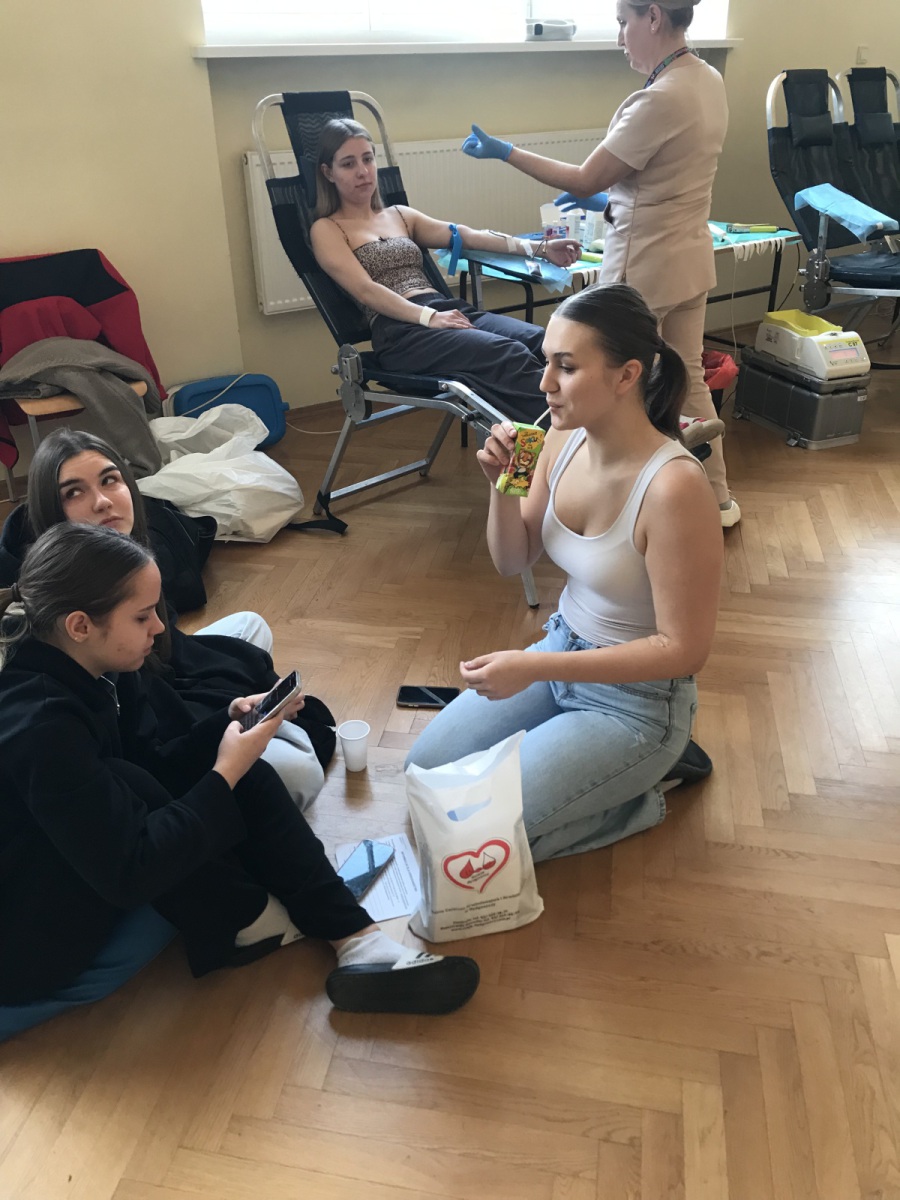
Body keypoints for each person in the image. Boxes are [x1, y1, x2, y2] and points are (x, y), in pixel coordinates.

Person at [0, 522, 479, 1017]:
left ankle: (358, 940)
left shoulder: (94, 667)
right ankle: (255, 922)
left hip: (83, 851)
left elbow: (154, 761)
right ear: (80, 626)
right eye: (142, 617)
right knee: (188, 777)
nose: (160, 628)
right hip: (29, 930)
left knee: (231, 767)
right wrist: (223, 772)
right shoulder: (42, 725)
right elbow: (132, 870)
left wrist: (226, 728)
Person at [405, 284, 722, 862]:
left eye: (566, 367)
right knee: (422, 771)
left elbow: (684, 651)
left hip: (636, 705)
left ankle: (646, 788)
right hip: (561, 651)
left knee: (469, 837)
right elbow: (512, 560)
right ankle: (593, 780)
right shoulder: (556, 436)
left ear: (627, 375)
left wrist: (533, 666)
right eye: (546, 362)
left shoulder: (674, 487)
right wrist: (503, 488)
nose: (544, 383)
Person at [461, 0, 740, 527]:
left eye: (622, 23)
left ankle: (576, 503)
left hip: (643, 269)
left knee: (596, 384)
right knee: (688, 377)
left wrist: (506, 152)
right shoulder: (707, 80)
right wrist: (613, 202)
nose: (619, 38)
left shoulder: (660, 97)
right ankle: (717, 500)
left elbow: (586, 177)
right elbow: (663, 177)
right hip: (688, 259)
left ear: (653, 17)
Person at [0, 428, 330, 811]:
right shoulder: (55, 618)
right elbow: (139, 757)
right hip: (139, 707)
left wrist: (225, 712)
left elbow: (164, 638)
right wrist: (224, 754)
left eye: (110, 480)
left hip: (151, 673)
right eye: (74, 493)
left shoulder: (129, 555)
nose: (103, 502)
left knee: (251, 625)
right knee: (297, 771)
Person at [309, 118, 582, 423]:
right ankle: (567, 434)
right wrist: (429, 317)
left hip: (444, 310)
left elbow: (467, 235)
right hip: (400, 333)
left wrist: (540, 248)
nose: (362, 171)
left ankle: (575, 425)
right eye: (348, 164)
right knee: (507, 353)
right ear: (328, 173)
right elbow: (365, 290)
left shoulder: (400, 215)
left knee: (541, 342)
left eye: (368, 159)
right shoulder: (327, 229)